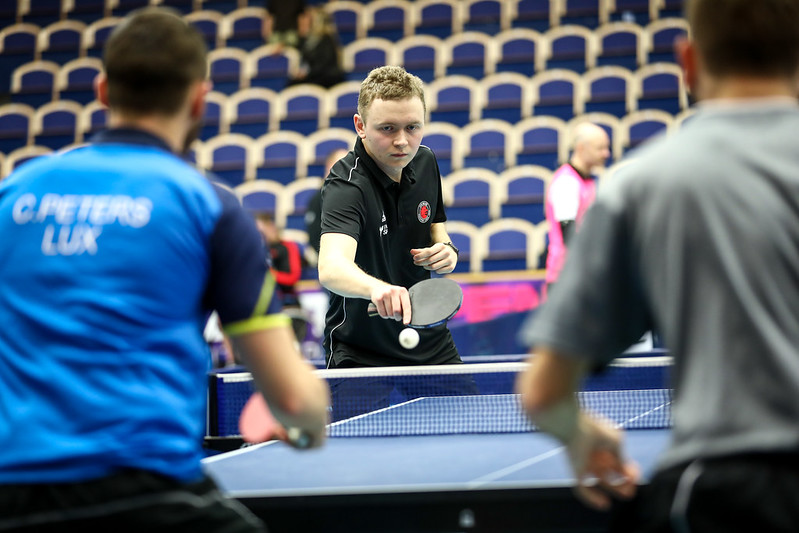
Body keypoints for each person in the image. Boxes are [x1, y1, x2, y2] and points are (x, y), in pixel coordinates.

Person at [0, 8, 329, 532]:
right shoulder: (209, 205)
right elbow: (293, 399)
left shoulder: (13, 193)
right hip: (147, 495)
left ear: (103, 91)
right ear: (200, 98)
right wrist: (307, 426)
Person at [515, 0, 799, 531]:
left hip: (729, 491)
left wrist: (582, 436)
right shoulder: (589, 187)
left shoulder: (643, 184)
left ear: (687, 64)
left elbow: (543, 393)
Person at [317, 65, 461, 370]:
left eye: (412, 127)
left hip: (427, 335)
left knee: (475, 418)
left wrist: (446, 249)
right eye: (387, 128)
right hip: (360, 348)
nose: (402, 141)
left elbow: (435, 223)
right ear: (360, 126)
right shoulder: (346, 185)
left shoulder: (425, 161)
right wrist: (377, 288)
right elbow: (331, 267)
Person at [544, 121, 610, 288]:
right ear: (581, 148)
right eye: (600, 148)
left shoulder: (586, 181)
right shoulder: (567, 182)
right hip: (567, 277)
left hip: (579, 274)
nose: (606, 153)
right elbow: (569, 233)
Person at [286, 6, 346, 89]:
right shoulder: (306, 40)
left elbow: (324, 64)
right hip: (314, 76)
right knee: (291, 83)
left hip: (328, 78)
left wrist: (306, 73)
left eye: (308, 19)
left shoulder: (326, 39)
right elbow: (304, 60)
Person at [305, 147, 349, 258]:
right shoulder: (317, 199)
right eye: (343, 163)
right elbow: (314, 237)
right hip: (332, 259)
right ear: (329, 166)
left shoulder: (356, 194)